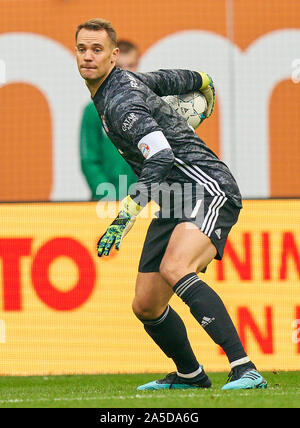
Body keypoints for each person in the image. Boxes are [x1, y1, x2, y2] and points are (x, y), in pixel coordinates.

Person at [75, 18, 267, 391]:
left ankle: (245, 369)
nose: (87, 56)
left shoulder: (122, 100)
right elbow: (182, 78)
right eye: (82, 48)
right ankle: (190, 375)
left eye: (97, 49)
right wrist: (207, 85)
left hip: (206, 186)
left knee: (176, 266)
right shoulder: (129, 82)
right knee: (146, 304)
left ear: (113, 56)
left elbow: (160, 158)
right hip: (173, 197)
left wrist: (123, 219)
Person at [80, 40, 139, 200]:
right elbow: (89, 160)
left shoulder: (150, 108)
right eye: (120, 66)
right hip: (104, 203)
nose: (126, 72)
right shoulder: (93, 110)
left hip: (141, 203)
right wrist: (107, 195)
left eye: (131, 65)